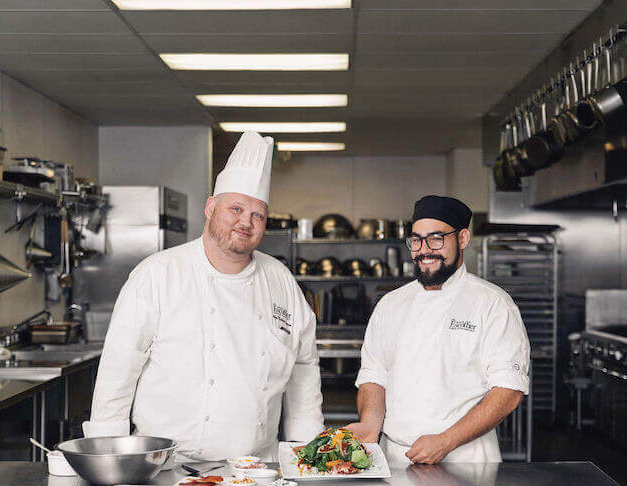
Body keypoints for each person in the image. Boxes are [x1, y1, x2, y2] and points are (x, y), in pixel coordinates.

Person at [83, 132, 324, 463]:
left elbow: (303, 366)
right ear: (211, 207)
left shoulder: (280, 281)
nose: (246, 222)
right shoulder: (157, 275)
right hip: (165, 467)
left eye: (258, 215)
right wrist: (106, 457)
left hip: (255, 469)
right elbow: (118, 371)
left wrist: (307, 450)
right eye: (236, 209)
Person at [347, 195, 529, 464]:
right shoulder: (390, 304)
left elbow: (508, 391)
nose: (424, 250)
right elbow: (374, 376)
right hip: (395, 458)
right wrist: (370, 424)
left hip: (465, 459)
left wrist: (447, 441)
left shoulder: (493, 304)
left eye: (436, 239)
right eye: (417, 240)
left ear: (463, 239)